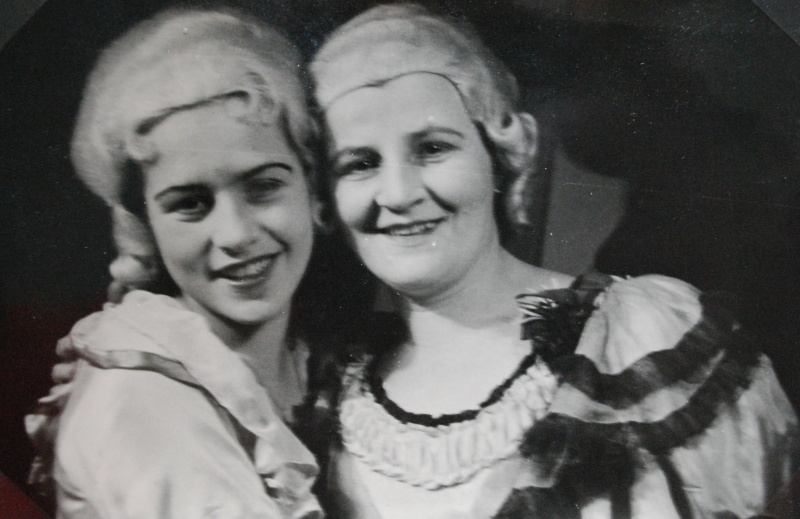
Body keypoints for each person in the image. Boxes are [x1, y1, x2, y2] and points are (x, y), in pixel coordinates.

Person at [309, 4, 799, 518]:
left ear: (500, 156)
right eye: (359, 164)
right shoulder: (325, 400)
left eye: (432, 148)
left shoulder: (644, 335)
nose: (399, 192)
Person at [25, 8, 326, 518]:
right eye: (190, 204)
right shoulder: (142, 398)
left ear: (311, 185)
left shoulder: (309, 357)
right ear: (145, 224)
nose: (236, 234)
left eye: (264, 186)